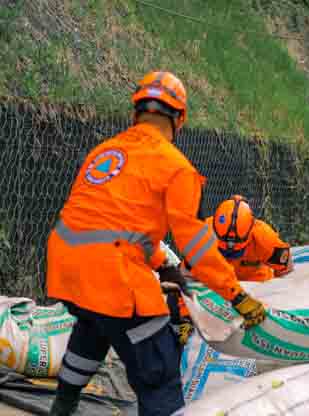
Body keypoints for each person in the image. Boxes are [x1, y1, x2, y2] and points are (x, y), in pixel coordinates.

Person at [46, 71, 266, 416]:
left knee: (94, 324)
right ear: (180, 118)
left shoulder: (103, 151)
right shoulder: (176, 167)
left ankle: (63, 406)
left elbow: (117, 227)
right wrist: (236, 295)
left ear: (136, 113)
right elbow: (193, 241)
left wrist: (163, 264)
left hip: (65, 266)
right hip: (115, 275)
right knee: (159, 371)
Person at [205, 194, 293, 282]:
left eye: (236, 252)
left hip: (259, 288)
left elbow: (286, 268)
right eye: (224, 251)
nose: (230, 250)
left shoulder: (264, 237)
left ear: (250, 231)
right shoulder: (201, 233)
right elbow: (191, 272)